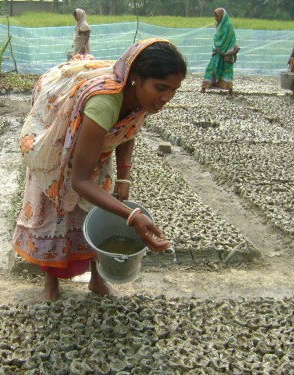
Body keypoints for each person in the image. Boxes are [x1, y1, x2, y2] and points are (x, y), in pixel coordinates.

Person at [13, 38, 187, 301]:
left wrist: (124, 178)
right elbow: (80, 180)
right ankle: (51, 284)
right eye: (161, 88)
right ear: (135, 79)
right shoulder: (103, 103)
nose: (166, 98)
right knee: (55, 215)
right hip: (59, 153)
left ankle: (97, 279)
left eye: (173, 90)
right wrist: (132, 217)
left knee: (96, 213)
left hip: (95, 149)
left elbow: (129, 129)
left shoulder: (143, 98)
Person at [200, 8, 239, 99]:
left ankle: (230, 91)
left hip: (226, 54)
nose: (215, 18)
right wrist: (216, 48)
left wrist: (227, 52)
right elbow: (216, 38)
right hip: (217, 52)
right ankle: (204, 87)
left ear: (222, 16)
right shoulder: (219, 25)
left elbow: (230, 39)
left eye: (216, 16)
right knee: (211, 68)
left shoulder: (228, 26)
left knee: (227, 71)